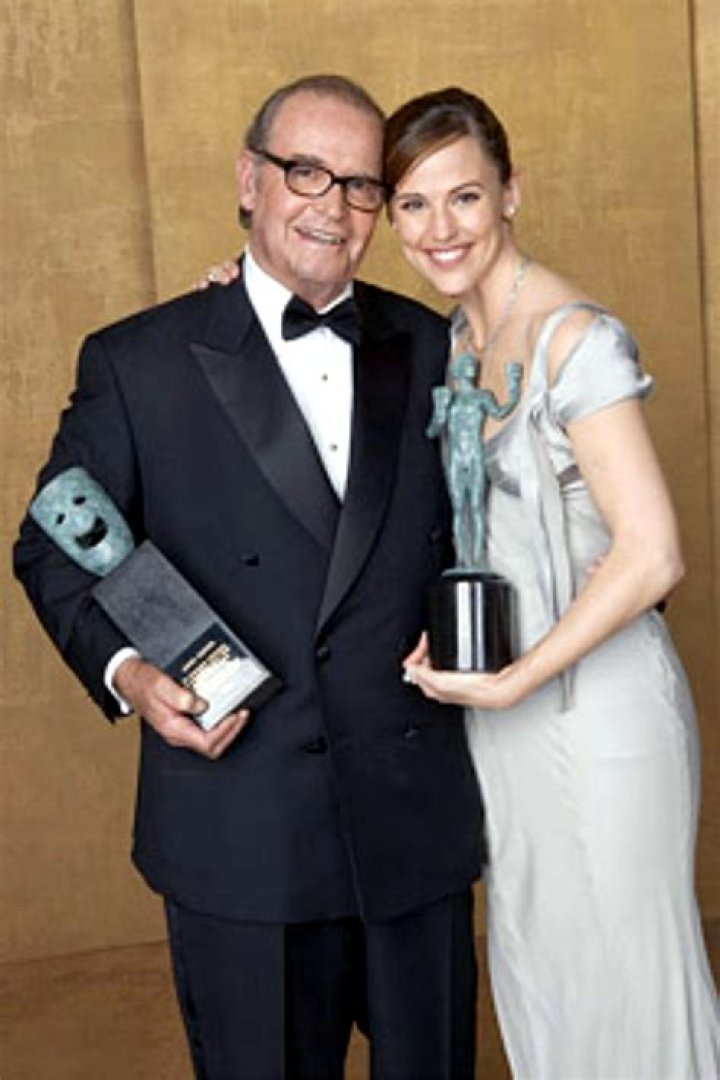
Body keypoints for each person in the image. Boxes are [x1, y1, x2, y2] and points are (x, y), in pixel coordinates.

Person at [13, 75, 486, 1080]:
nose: (332, 205)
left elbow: (488, 534)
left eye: (360, 185)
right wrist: (132, 675)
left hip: (413, 820)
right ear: (248, 180)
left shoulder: (439, 346)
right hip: (241, 827)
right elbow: (52, 543)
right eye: (305, 171)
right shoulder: (138, 362)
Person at [387, 87, 720, 1076]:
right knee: (544, 974)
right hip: (502, 717)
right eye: (413, 204)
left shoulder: (577, 338)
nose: (440, 228)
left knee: (632, 986)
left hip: (601, 714)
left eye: (465, 197)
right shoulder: (452, 341)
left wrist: (517, 681)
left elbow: (653, 554)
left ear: (511, 193)